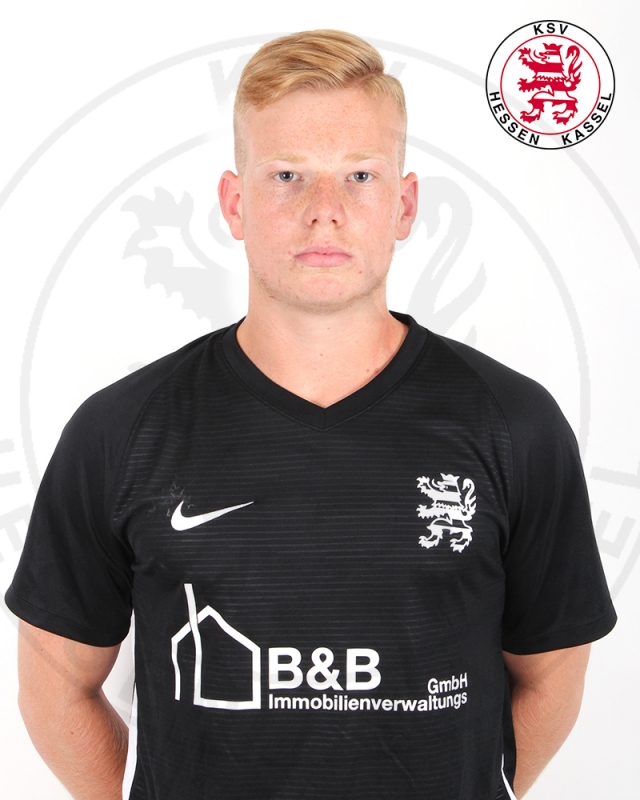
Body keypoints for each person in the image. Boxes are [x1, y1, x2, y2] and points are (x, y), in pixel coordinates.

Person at [6, 30, 616, 800]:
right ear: (235, 204)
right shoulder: (121, 432)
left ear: (404, 205)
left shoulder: (514, 426)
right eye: (287, 175)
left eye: (359, 176)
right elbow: (56, 682)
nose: (324, 212)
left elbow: (553, 670)